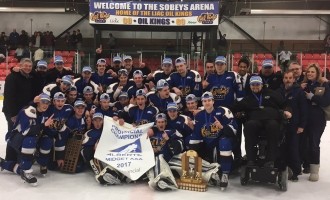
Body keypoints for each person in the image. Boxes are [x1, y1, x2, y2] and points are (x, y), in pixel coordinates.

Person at [231, 76, 291, 168]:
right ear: (250, 86)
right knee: (249, 125)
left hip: (271, 119)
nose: (255, 86)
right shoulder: (248, 98)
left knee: (273, 125)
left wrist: (288, 111)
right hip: (255, 121)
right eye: (253, 85)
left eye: (257, 84)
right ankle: (251, 159)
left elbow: (285, 104)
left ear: (262, 85)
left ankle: (271, 160)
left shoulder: (272, 94)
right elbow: (235, 107)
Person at [0, 93, 52, 186]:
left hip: (31, 138)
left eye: (47, 102)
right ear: (38, 102)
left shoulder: (46, 113)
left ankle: (42, 163)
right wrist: (44, 125)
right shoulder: (28, 111)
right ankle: (25, 172)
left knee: (47, 140)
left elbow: (42, 131)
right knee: (30, 140)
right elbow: (26, 131)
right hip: (16, 138)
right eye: (43, 102)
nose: (45, 104)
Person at [189, 92, 237, 190]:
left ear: (213, 101)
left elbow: (234, 130)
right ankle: (198, 170)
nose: (207, 103)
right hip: (208, 143)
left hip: (221, 142)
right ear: (202, 102)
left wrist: (222, 127)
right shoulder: (199, 116)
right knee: (192, 141)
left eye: (209, 100)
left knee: (224, 142)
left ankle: (225, 174)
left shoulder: (223, 111)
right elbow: (198, 133)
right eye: (205, 101)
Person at [277, 71, 308, 182]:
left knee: (293, 149)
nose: (288, 80)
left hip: (294, 125)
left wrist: (302, 126)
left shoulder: (299, 92)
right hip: (281, 125)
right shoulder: (278, 91)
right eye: (286, 78)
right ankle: (282, 170)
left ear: (294, 79)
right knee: (282, 148)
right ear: (283, 79)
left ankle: (295, 171)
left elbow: (304, 110)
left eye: (290, 78)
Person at [301, 64, 330, 181]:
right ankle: (306, 165)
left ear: (317, 73)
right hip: (305, 118)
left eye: (312, 72)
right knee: (304, 143)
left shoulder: (324, 84)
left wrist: (312, 97)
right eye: (308, 72)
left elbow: (325, 101)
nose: (310, 74)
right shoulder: (304, 85)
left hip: (317, 119)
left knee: (313, 143)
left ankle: (314, 169)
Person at [3, 58, 37, 132]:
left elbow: (37, 73)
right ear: (20, 65)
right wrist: (13, 114)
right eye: (25, 65)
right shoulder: (12, 77)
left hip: (23, 109)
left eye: (30, 66)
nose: (28, 68)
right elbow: (9, 97)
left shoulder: (29, 76)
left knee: (22, 132)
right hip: (12, 111)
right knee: (13, 132)